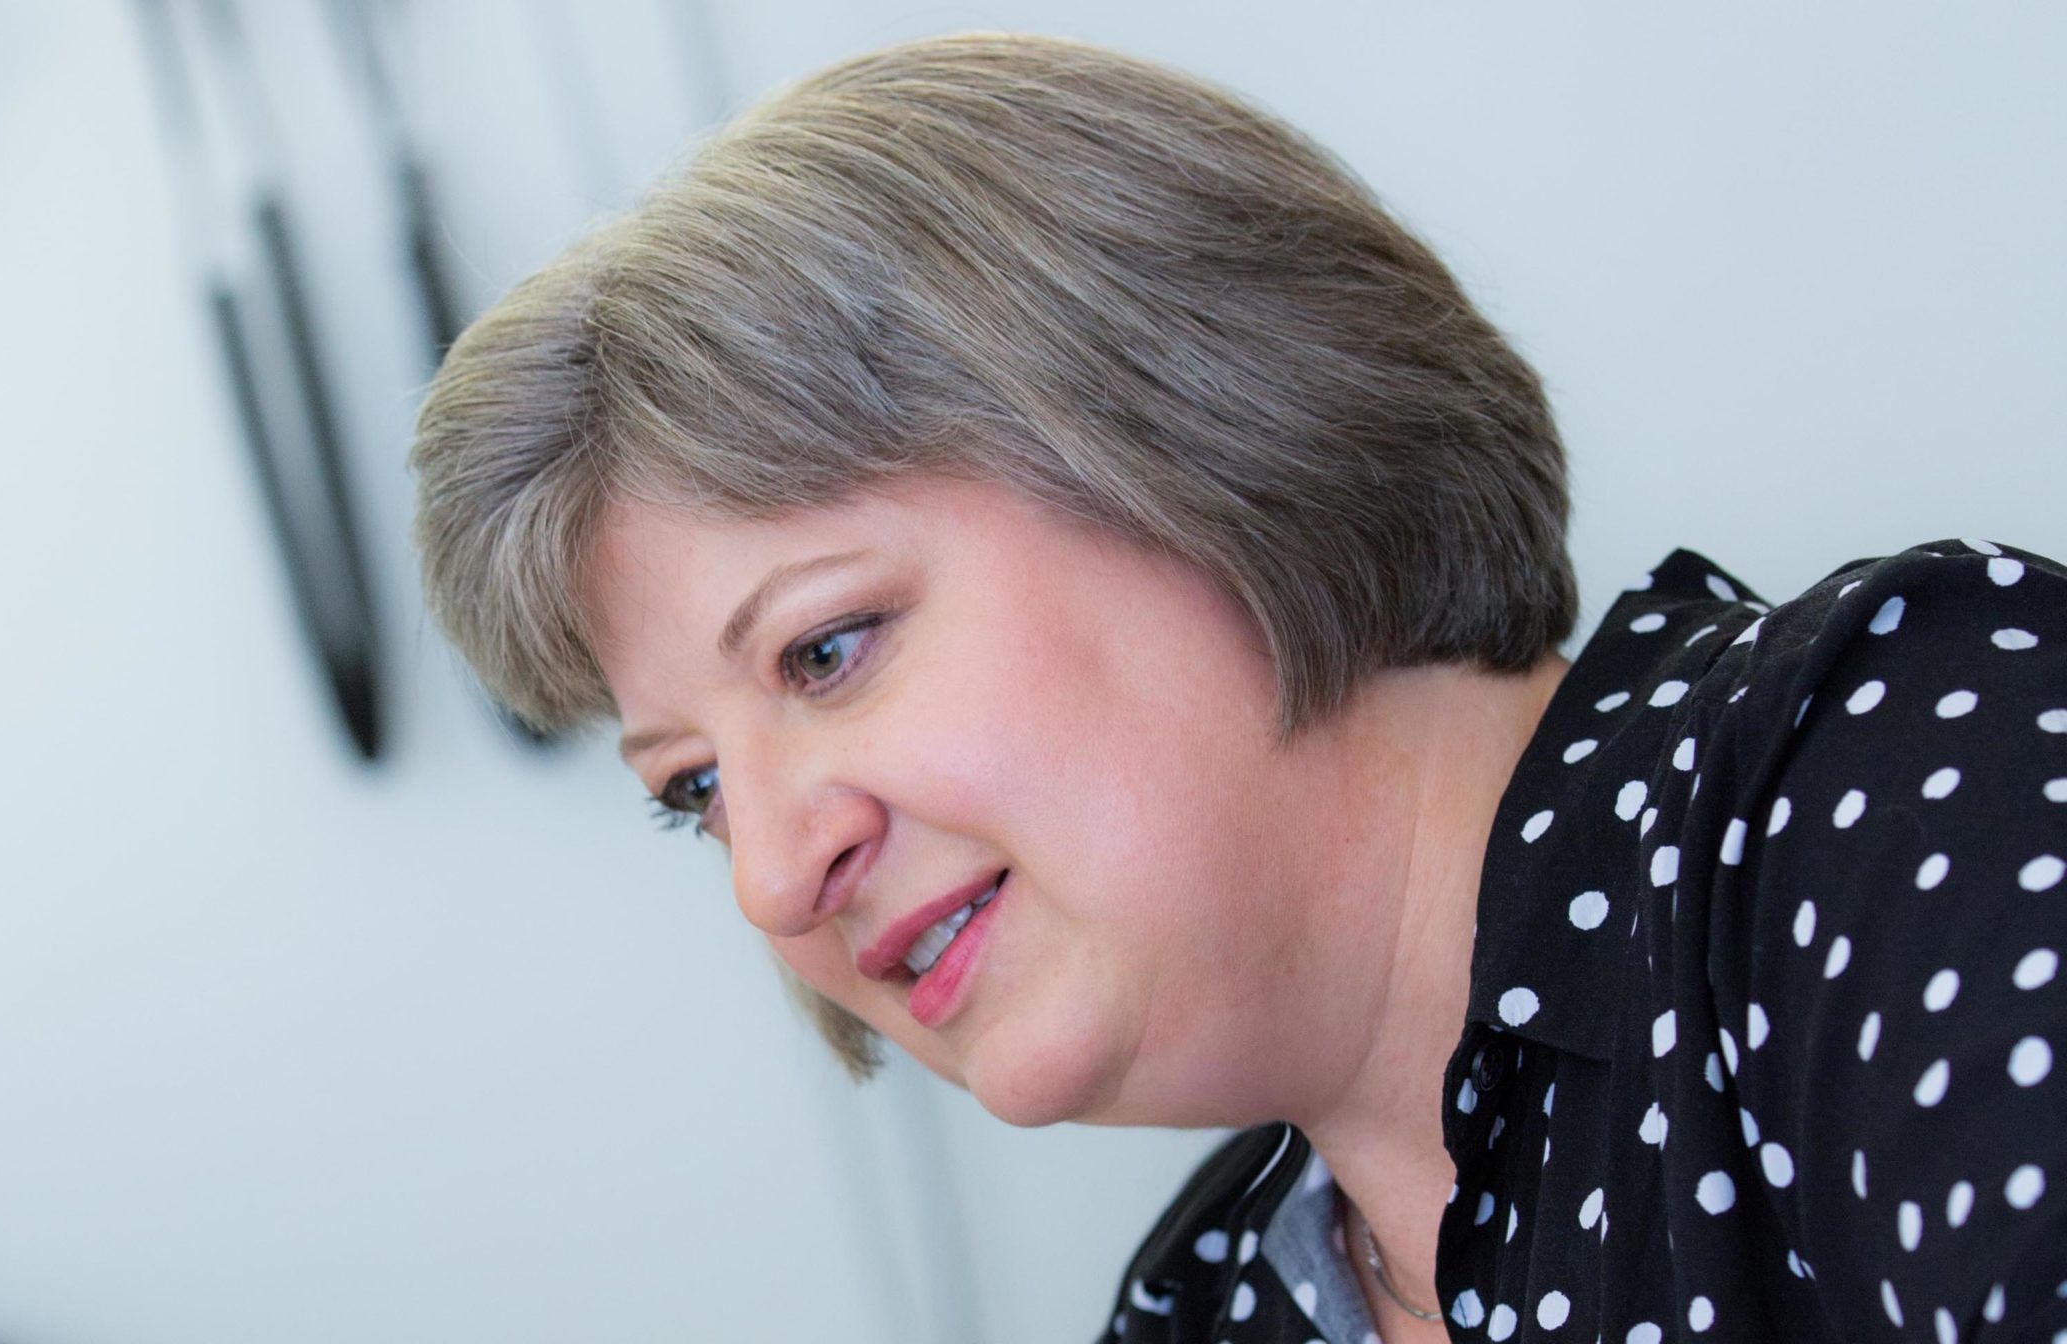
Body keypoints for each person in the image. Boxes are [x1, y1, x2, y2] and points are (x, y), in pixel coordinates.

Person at [408, 31, 2066, 1343]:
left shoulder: (1901, 778)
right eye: (693, 793)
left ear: (1206, 443)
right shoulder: (1202, 1309)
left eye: (825, 650)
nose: (773, 876)